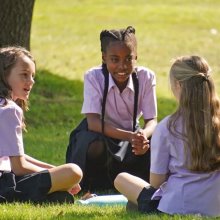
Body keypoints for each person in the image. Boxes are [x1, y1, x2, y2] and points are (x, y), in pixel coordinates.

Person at [114, 55, 220, 217]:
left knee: (121, 179)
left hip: (177, 205)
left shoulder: (167, 128)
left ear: (178, 85)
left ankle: (137, 204)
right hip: (215, 205)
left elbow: (156, 183)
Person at [67, 26, 157, 191]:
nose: (122, 66)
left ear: (136, 56)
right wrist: (130, 136)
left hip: (132, 131)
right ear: (104, 58)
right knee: (93, 144)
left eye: (128, 59)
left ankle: (149, 186)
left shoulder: (146, 77)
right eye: (115, 59)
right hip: (100, 132)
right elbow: (93, 123)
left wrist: (142, 135)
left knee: (157, 140)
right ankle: (89, 186)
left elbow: (152, 120)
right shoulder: (94, 77)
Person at [0, 46, 82, 204]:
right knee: (74, 171)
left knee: (61, 194)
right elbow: (19, 167)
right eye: (24, 75)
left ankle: (50, 196)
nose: (31, 81)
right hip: (5, 186)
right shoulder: (9, 110)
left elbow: (17, 158)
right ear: (4, 75)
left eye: (32, 75)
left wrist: (53, 169)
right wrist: (61, 176)